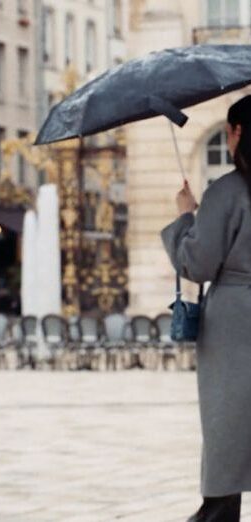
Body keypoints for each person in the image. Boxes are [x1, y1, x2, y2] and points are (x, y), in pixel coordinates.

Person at [161, 95, 251, 522]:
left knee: (228, 422)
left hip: (235, 320)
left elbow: (196, 264)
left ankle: (220, 511)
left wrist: (185, 218)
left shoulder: (228, 192)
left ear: (236, 133)